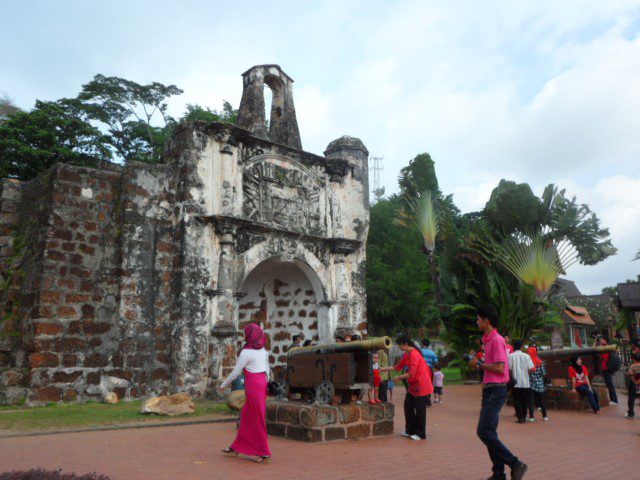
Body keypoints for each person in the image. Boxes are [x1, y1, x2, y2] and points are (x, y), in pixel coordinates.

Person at [469, 304, 528, 480]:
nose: (477, 321)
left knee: (484, 431)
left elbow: (500, 368)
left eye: (479, 319)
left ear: (486, 321)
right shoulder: (487, 340)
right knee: (489, 432)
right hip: (490, 389)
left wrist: (479, 364)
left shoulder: (497, 340)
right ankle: (498, 473)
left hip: (496, 390)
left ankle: (516, 464)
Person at [220, 323, 271, 463]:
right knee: (247, 416)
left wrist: (223, 384)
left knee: (257, 418)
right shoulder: (263, 351)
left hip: (253, 385)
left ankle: (264, 452)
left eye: (245, 333)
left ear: (250, 335)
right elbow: (267, 370)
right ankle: (236, 447)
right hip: (261, 383)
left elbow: (236, 373)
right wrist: (266, 384)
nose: (244, 336)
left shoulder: (246, 352)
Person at [380, 334, 433, 440]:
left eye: (399, 345)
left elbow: (412, 373)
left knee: (420, 409)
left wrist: (398, 378)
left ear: (405, 344)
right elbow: (398, 366)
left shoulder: (414, 354)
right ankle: (410, 430)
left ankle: (420, 434)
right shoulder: (406, 354)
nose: (399, 347)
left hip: (422, 384)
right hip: (413, 385)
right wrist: (384, 369)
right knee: (408, 406)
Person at [508, 340, 535, 423]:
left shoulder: (510, 356)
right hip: (526, 382)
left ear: (513, 347)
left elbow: (509, 369)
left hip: (515, 382)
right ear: (522, 347)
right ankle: (524, 416)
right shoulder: (526, 356)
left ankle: (520, 418)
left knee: (516, 401)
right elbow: (532, 369)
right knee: (524, 401)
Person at [527, 345, 548, 421]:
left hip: (530, 383)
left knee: (530, 401)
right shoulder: (540, 362)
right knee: (542, 400)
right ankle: (544, 416)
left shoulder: (528, 362)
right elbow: (544, 373)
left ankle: (531, 417)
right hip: (539, 383)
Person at [595, 337, 619, 405]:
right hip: (606, 368)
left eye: (602, 339)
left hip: (606, 368)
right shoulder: (607, 348)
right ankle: (613, 399)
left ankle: (614, 400)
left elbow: (603, 357)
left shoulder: (606, 348)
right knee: (609, 384)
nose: (600, 341)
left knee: (610, 384)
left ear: (605, 340)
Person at [625, 352, 640, 419]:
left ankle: (631, 414)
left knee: (631, 400)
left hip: (634, 385)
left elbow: (630, 375)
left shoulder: (632, 366)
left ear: (633, 359)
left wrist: (635, 382)